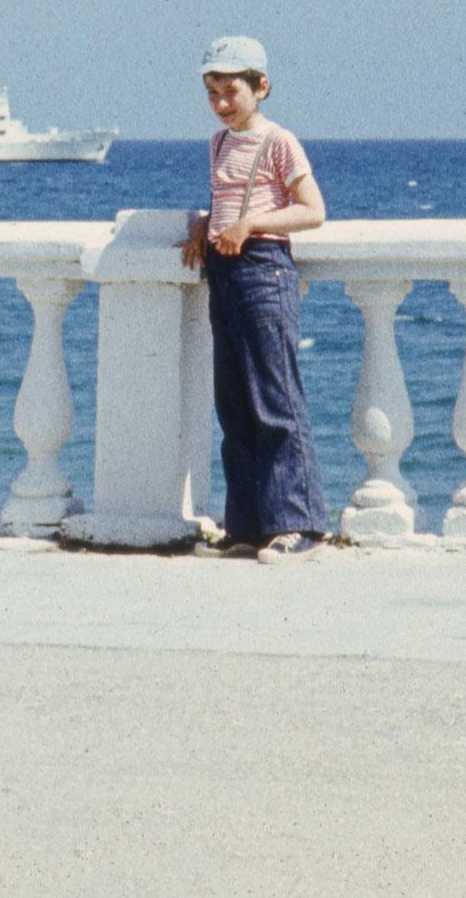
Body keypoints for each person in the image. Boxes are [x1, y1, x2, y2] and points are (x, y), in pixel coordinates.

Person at [180, 36, 330, 563]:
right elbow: (224, 199)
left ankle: (300, 524)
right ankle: (246, 525)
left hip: (264, 272)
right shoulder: (218, 144)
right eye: (212, 92)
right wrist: (205, 223)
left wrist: (250, 223)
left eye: (232, 92)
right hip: (224, 274)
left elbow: (312, 210)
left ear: (261, 87)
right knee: (235, 406)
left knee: (275, 402)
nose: (221, 104)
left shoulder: (279, 142)